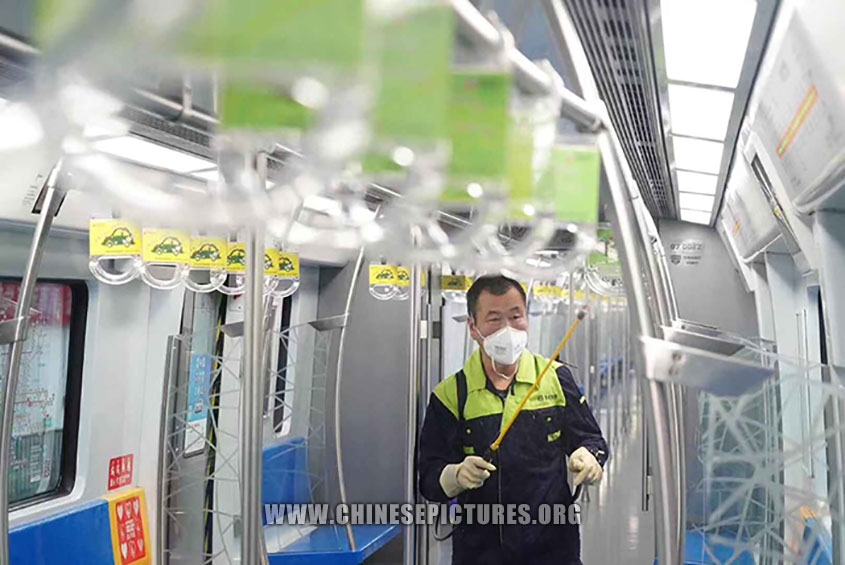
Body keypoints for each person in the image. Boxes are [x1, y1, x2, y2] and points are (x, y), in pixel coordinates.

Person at [418, 275, 608, 565]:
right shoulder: (451, 395)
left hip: (554, 547)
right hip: (480, 553)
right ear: (472, 327)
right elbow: (429, 480)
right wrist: (455, 476)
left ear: (527, 319)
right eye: (494, 319)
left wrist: (589, 455)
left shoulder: (555, 379)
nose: (507, 328)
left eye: (515, 316)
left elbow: (592, 439)